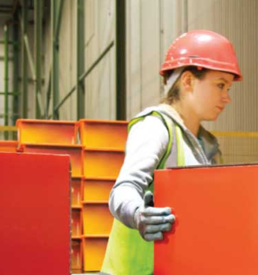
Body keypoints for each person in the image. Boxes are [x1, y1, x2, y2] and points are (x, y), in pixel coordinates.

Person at [100, 30, 242, 275]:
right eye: (220, 85)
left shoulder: (208, 148)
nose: (226, 97)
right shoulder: (155, 127)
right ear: (187, 81)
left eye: (228, 88)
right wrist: (138, 215)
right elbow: (123, 190)